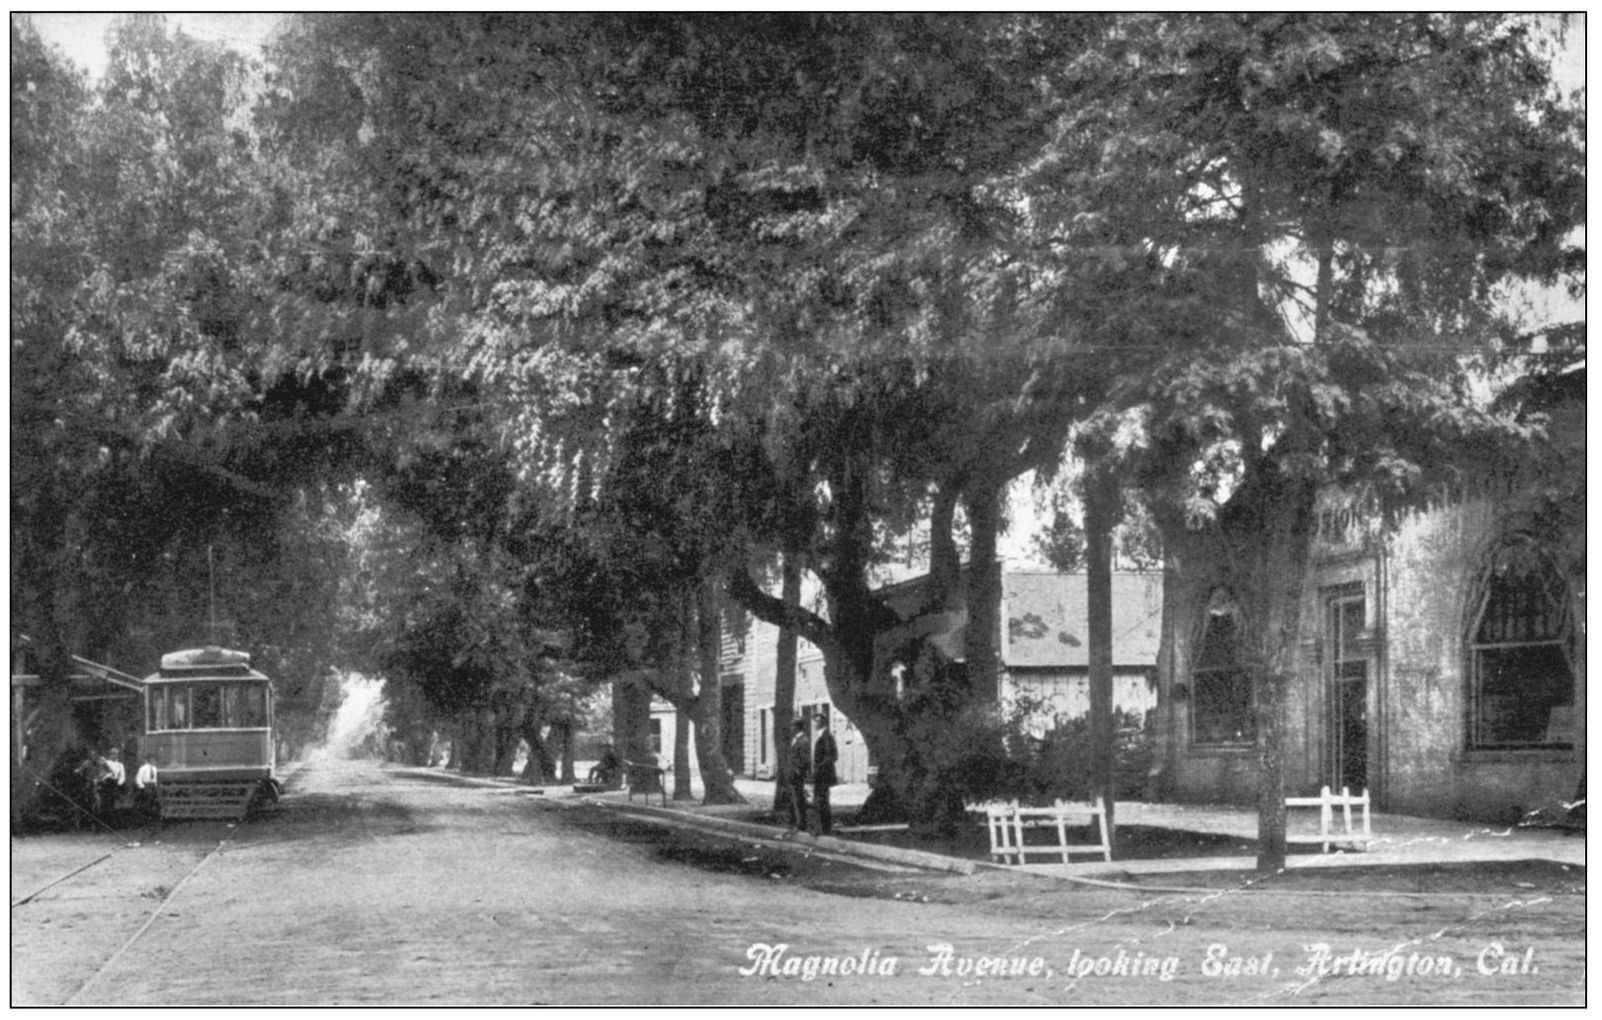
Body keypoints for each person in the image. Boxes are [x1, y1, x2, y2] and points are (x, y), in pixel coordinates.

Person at [812, 716, 839, 836]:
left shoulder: (826, 737)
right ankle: (822, 827)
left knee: (822, 800)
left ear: (823, 722)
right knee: (820, 800)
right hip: (821, 774)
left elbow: (831, 756)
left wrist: (819, 768)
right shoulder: (822, 736)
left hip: (823, 775)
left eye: (817, 721)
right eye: (815, 721)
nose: (815, 724)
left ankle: (824, 828)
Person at [785, 719, 812, 834]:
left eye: (792, 726)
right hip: (792, 774)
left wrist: (798, 770)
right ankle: (795, 823)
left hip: (797, 775)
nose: (791, 728)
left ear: (797, 727)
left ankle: (800, 824)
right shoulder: (795, 740)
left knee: (798, 799)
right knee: (794, 799)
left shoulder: (804, 740)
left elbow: (805, 758)